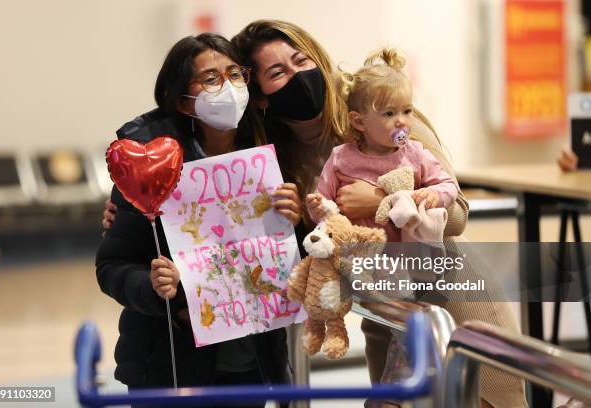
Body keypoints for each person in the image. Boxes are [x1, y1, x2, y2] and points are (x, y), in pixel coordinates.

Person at [104, 19, 527, 407]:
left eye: (300, 60)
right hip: (379, 308)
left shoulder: (386, 116)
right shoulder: (269, 157)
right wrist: (135, 212)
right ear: (263, 98)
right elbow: (293, 249)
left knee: (488, 397)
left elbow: (456, 215)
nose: (296, 76)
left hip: (446, 290)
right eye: (276, 73)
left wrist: (380, 200)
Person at [96, 33, 300, 408]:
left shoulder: (266, 156)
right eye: (210, 78)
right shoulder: (149, 168)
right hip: (168, 366)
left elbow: (289, 257)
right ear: (182, 101)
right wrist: (155, 289)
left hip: (249, 363)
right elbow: (112, 265)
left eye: (235, 74)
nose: (228, 87)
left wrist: (295, 220)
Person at [306, 48, 458, 243]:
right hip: (357, 257)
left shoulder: (415, 153)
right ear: (359, 122)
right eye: (389, 113)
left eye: (407, 110)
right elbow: (326, 208)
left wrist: (434, 194)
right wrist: (317, 209)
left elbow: (449, 186)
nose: (401, 121)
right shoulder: (340, 158)